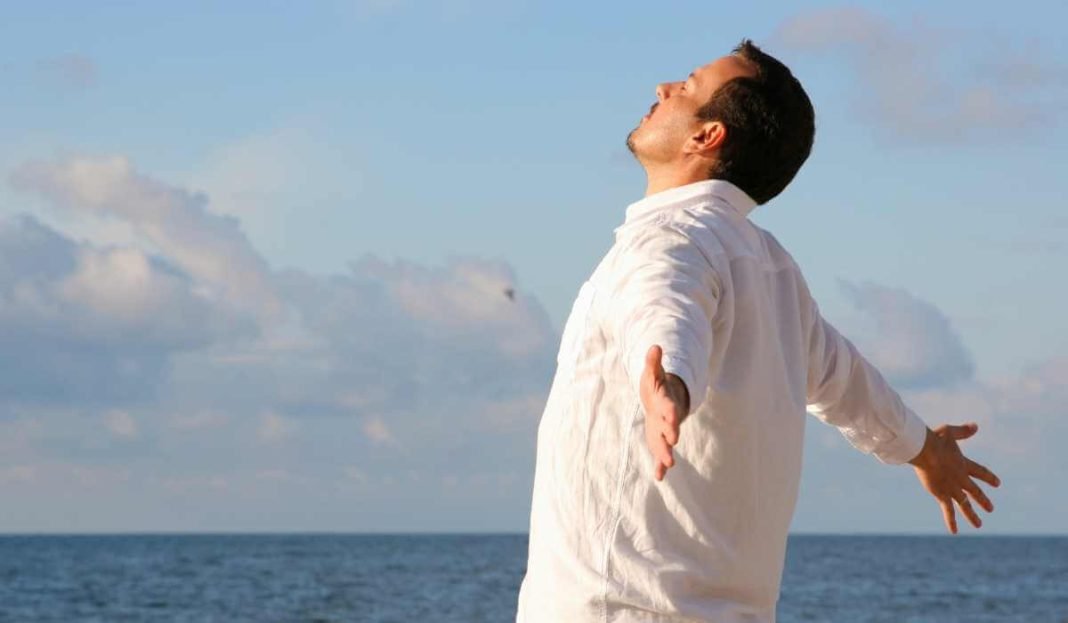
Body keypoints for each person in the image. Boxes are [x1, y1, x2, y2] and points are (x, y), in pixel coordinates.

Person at [515, 39, 1001, 622]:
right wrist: (924, 449)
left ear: (707, 136)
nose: (662, 89)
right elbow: (849, 385)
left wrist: (671, 383)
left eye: (686, 87)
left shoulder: (668, 239)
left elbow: (665, 305)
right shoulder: (773, 271)